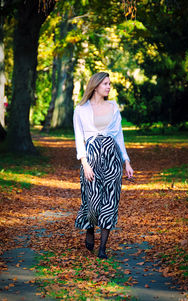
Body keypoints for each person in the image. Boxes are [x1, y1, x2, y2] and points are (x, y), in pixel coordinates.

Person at [73, 72, 134, 259]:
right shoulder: (81, 109)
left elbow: (119, 136)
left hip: (111, 157)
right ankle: (90, 228)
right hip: (90, 157)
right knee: (91, 200)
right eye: (105, 84)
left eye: (109, 84)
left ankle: (103, 248)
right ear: (96, 85)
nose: (108, 87)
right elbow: (79, 138)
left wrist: (126, 161)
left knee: (110, 201)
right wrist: (84, 163)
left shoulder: (114, 107)